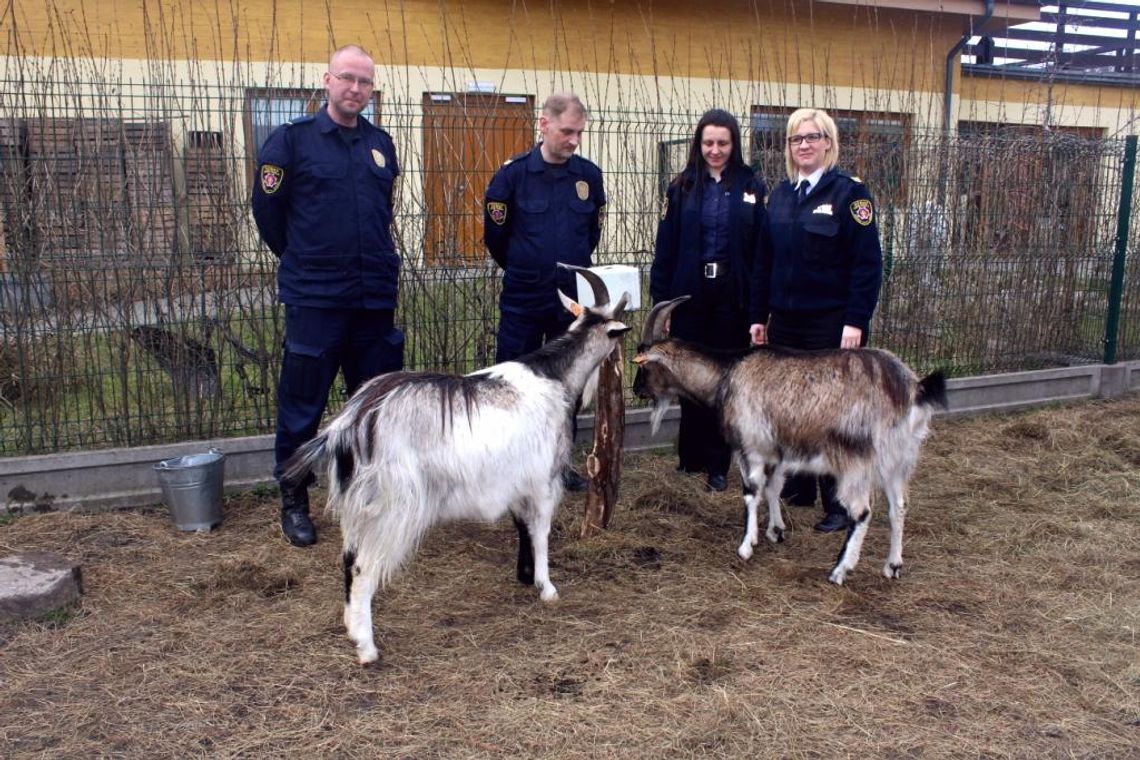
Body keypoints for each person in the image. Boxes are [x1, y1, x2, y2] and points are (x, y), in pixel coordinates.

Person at [252, 44, 404, 547]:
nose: (355, 89)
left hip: (372, 298)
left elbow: (382, 215)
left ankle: (366, 495)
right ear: (327, 81)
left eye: (364, 82)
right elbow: (270, 216)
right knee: (302, 405)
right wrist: (303, 259)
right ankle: (294, 497)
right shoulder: (290, 142)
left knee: (372, 406)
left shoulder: (380, 144)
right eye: (347, 79)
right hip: (316, 298)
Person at [748, 107, 883, 532]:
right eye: (795, 139)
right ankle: (801, 486)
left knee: (833, 415)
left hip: (831, 325)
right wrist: (758, 316)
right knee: (792, 410)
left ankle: (840, 502)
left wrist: (855, 321)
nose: (803, 145)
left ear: (828, 143)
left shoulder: (851, 196)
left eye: (812, 137)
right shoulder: (782, 195)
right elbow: (764, 262)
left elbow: (867, 265)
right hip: (786, 323)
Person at [483, 92, 606, 492]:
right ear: (544, 124)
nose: (573, 140)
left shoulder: (588, 177)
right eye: (567, 131)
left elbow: (590, 236)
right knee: (512, 384)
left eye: (579, 133)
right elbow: (496, 239)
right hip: (523, 298)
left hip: (569, 304)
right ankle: (507, 469)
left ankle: (557, 464)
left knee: (563, 387)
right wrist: (526, 267)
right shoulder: (511, 177)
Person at [649, 109, 767, 492]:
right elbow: (665, 249)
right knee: (690, 382)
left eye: (723, 143)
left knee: (724, 385)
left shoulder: (752, 187)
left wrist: (757, 309)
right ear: (699, 145)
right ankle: (691, 459)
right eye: (708, 143)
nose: (715, 150)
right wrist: (662, 306)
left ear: (734, 145)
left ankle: (718, 466)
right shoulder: (681, 187)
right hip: (690, 300)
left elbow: (762, 250)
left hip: (731, 301)